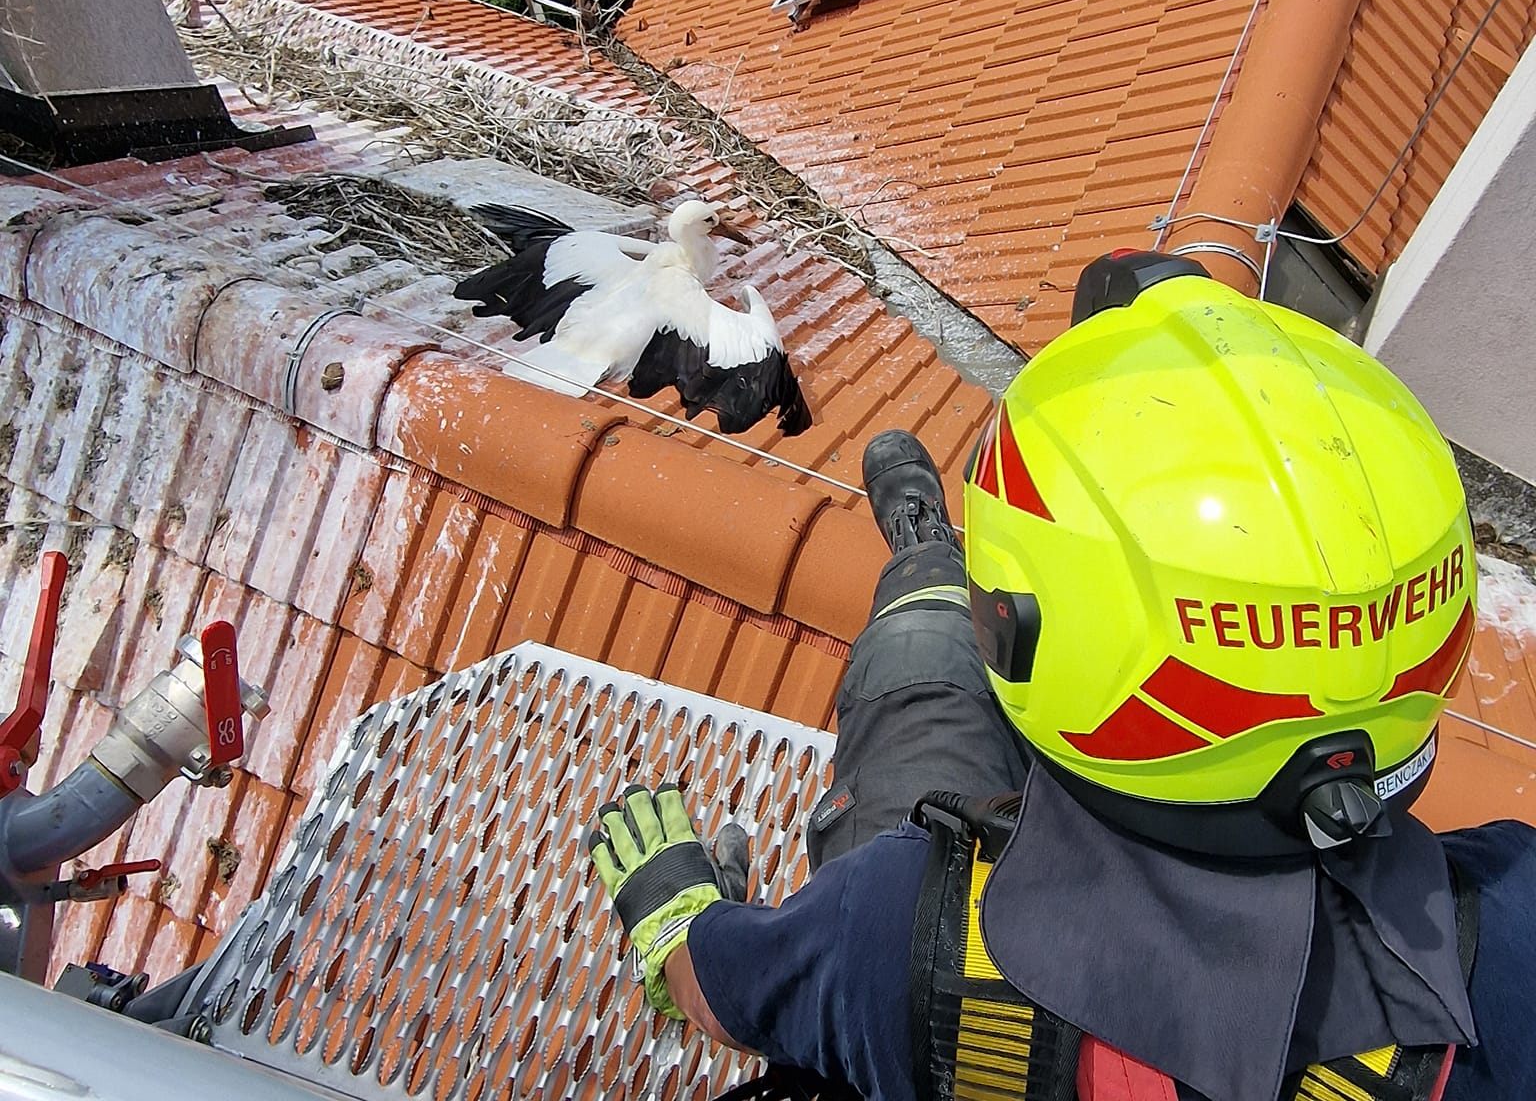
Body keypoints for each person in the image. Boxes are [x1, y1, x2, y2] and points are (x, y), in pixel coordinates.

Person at [586, 251, 1536, 1101]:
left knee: (921, 705)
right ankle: (928, 569)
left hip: (965, 964)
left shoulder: (881, 928)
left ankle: (926, 573)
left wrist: (680, 917)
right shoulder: (1515, 924)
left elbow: (722, 990)